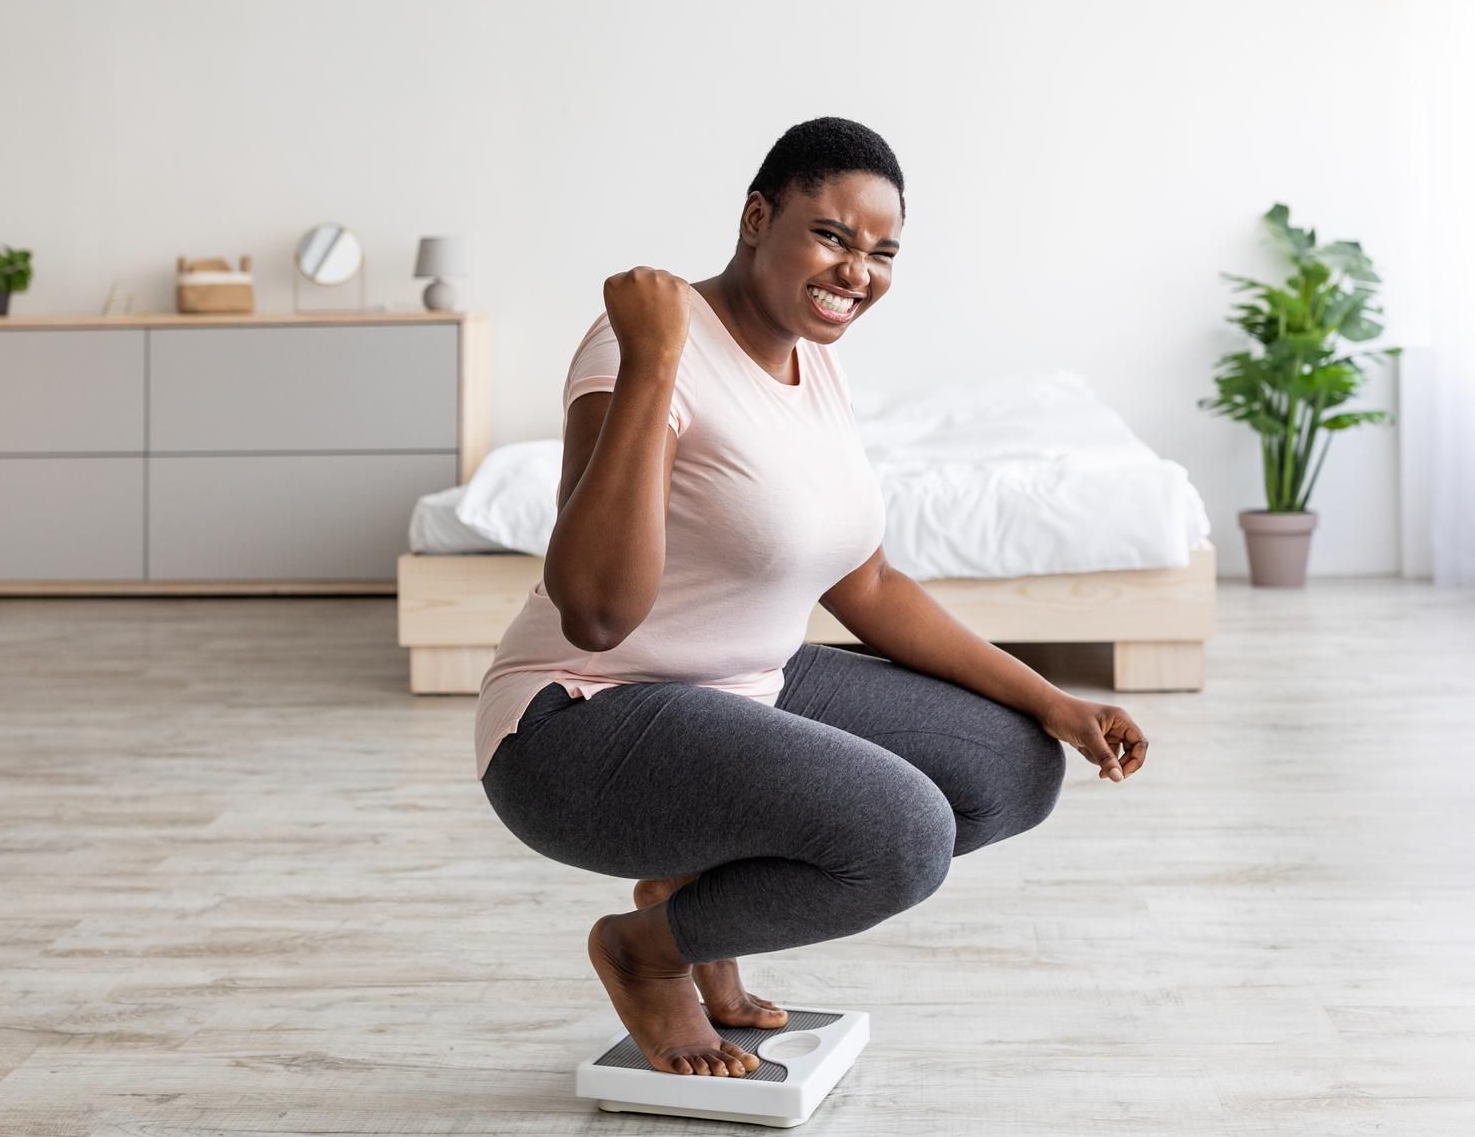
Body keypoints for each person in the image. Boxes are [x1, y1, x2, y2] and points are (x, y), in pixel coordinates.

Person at [475, 117, 1148, 1078]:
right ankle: (649, 952)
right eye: (832, 235)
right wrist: (656, 356)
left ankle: (689, 897)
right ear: (757, 217)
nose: (857, 272)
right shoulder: (639, 348)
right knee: (903, 834)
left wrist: (1053, 700)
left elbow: (865, 582)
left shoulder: (813, 355)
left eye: (881, 252)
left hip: (745, 681)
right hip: (579, 723)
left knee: (1013, 765)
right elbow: (593, 613)